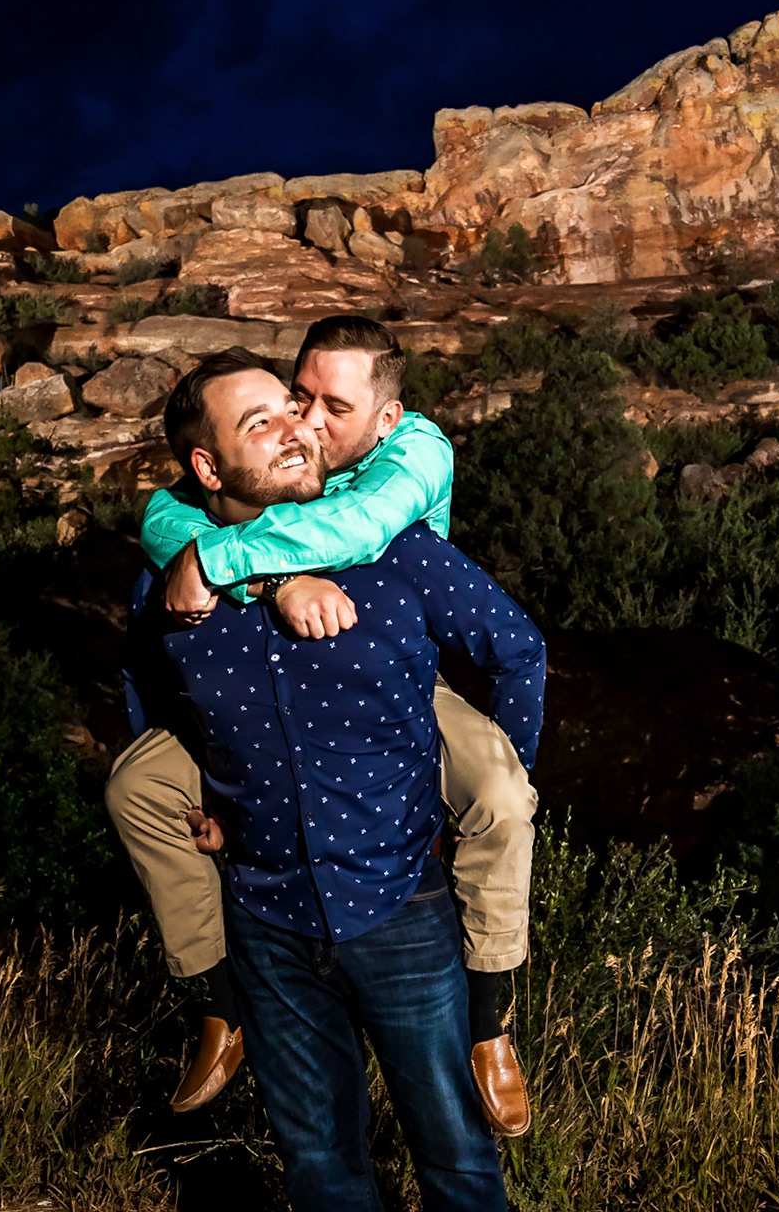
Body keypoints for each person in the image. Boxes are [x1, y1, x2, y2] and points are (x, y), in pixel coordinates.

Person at [126, 350, 545, 1211]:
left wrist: (492, 785)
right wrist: (199, 790)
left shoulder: (399, 552)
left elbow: (518, 651)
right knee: (319, 1166)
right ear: (207, 467)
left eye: (295, 408)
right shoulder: (175, 581)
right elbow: (145, 682)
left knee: (458, 1158)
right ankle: (216, 1010)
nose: (300, 429)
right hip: (266, 921)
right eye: (262, 423)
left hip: (400, 912)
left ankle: (493, 1027)